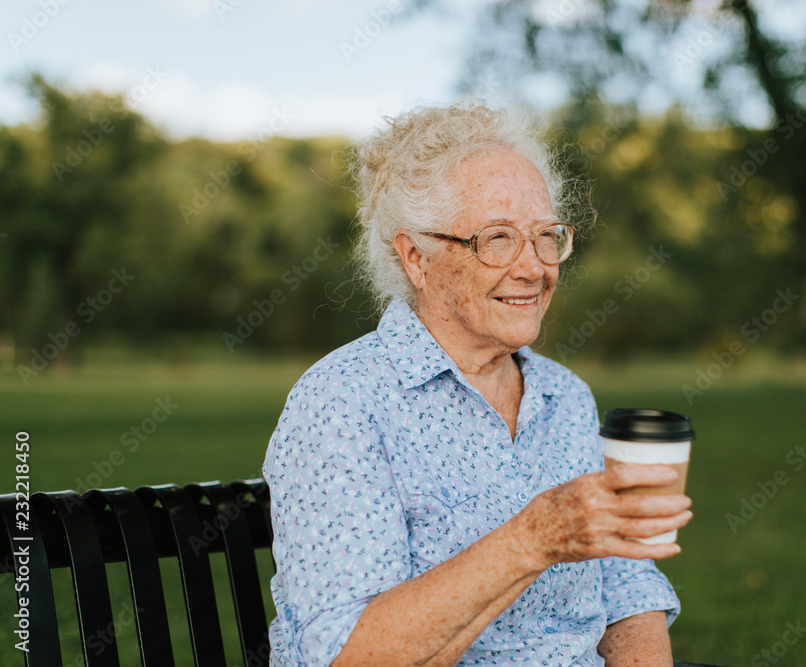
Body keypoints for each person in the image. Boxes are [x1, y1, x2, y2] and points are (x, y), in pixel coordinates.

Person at [262, 100, 693, 666]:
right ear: (417, 257)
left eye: (546, 236)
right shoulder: (343, 402)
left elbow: (627, 588)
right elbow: (347, 655)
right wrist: (534, 539)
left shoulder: (565, 397)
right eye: (497, 239)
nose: (534, 267)